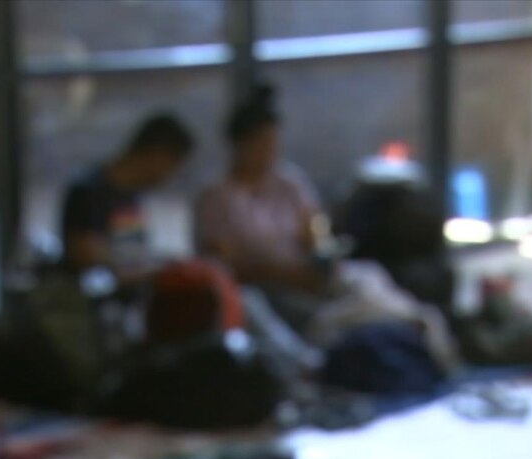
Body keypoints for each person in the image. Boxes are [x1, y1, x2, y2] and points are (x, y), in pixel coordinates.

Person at [193, 84, 330, 302]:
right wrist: (281, 273)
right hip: (258, 289)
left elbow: (315, 227)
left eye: (272, 142)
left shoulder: (290, 182)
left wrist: (320, 251)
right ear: (239, 144)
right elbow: (224, 264)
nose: (268, 150)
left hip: (307, 278)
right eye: (261, 143)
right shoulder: (216, 196)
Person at [60, 113, 194, 278]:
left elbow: (132, 252)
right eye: (172, 166)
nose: (169, 177)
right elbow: (84, 253)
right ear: (157, 154)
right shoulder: (88, 191)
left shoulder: (131, 196)